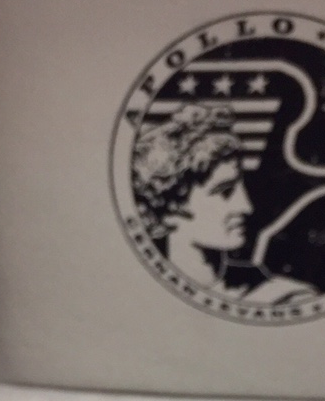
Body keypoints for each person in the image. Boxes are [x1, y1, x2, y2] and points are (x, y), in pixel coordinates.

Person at [132, 104, 314, 306]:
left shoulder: (284, 299)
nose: (246, 207)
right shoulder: (137, 297)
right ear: (170, 205)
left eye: (241, 188)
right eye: (224, 191)